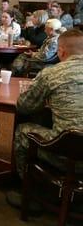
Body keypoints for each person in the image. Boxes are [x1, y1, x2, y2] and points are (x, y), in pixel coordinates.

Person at [7, 29, 83, 208]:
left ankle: (30, 192)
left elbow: (24, 106)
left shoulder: (52, 73)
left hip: (67, 151)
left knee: (23, 131)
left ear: (61, 51)